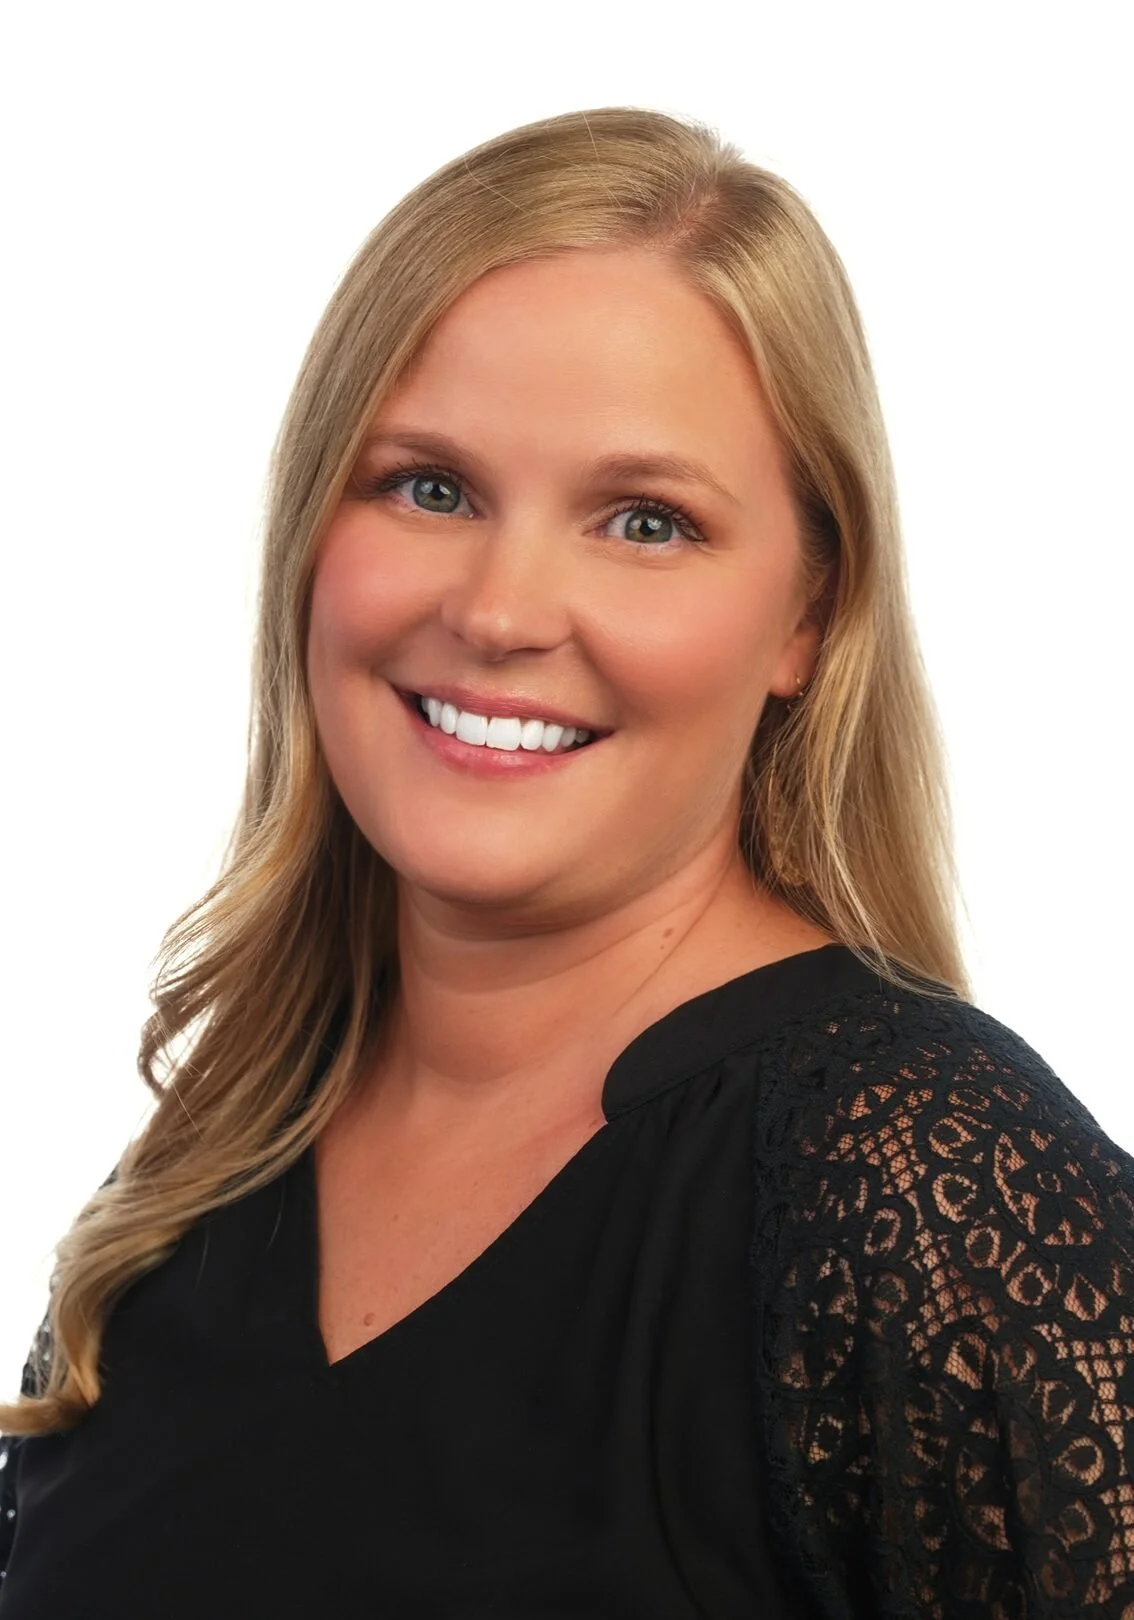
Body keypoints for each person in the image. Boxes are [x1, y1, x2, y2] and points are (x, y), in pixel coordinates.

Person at [1, 104, 1132, 1619]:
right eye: (429, 486)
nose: (502, 608)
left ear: (806, 618)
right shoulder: (198, 1181)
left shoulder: (917, 1185)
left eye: (645, 521)